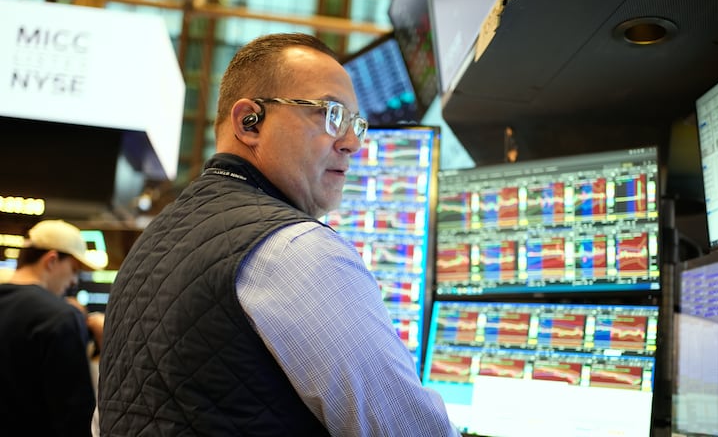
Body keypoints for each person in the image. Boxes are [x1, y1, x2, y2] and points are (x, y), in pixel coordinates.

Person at [98, 33, 459, 436]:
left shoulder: (151, 244)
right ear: (249, 122)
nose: (353, 143)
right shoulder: (298, 251)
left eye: (357, 123)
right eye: (331, 114)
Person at [0, 219, 105, 436]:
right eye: (74, 270)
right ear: (51, 260)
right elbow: (75, 418)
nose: (74, 281)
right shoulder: (60, 317)